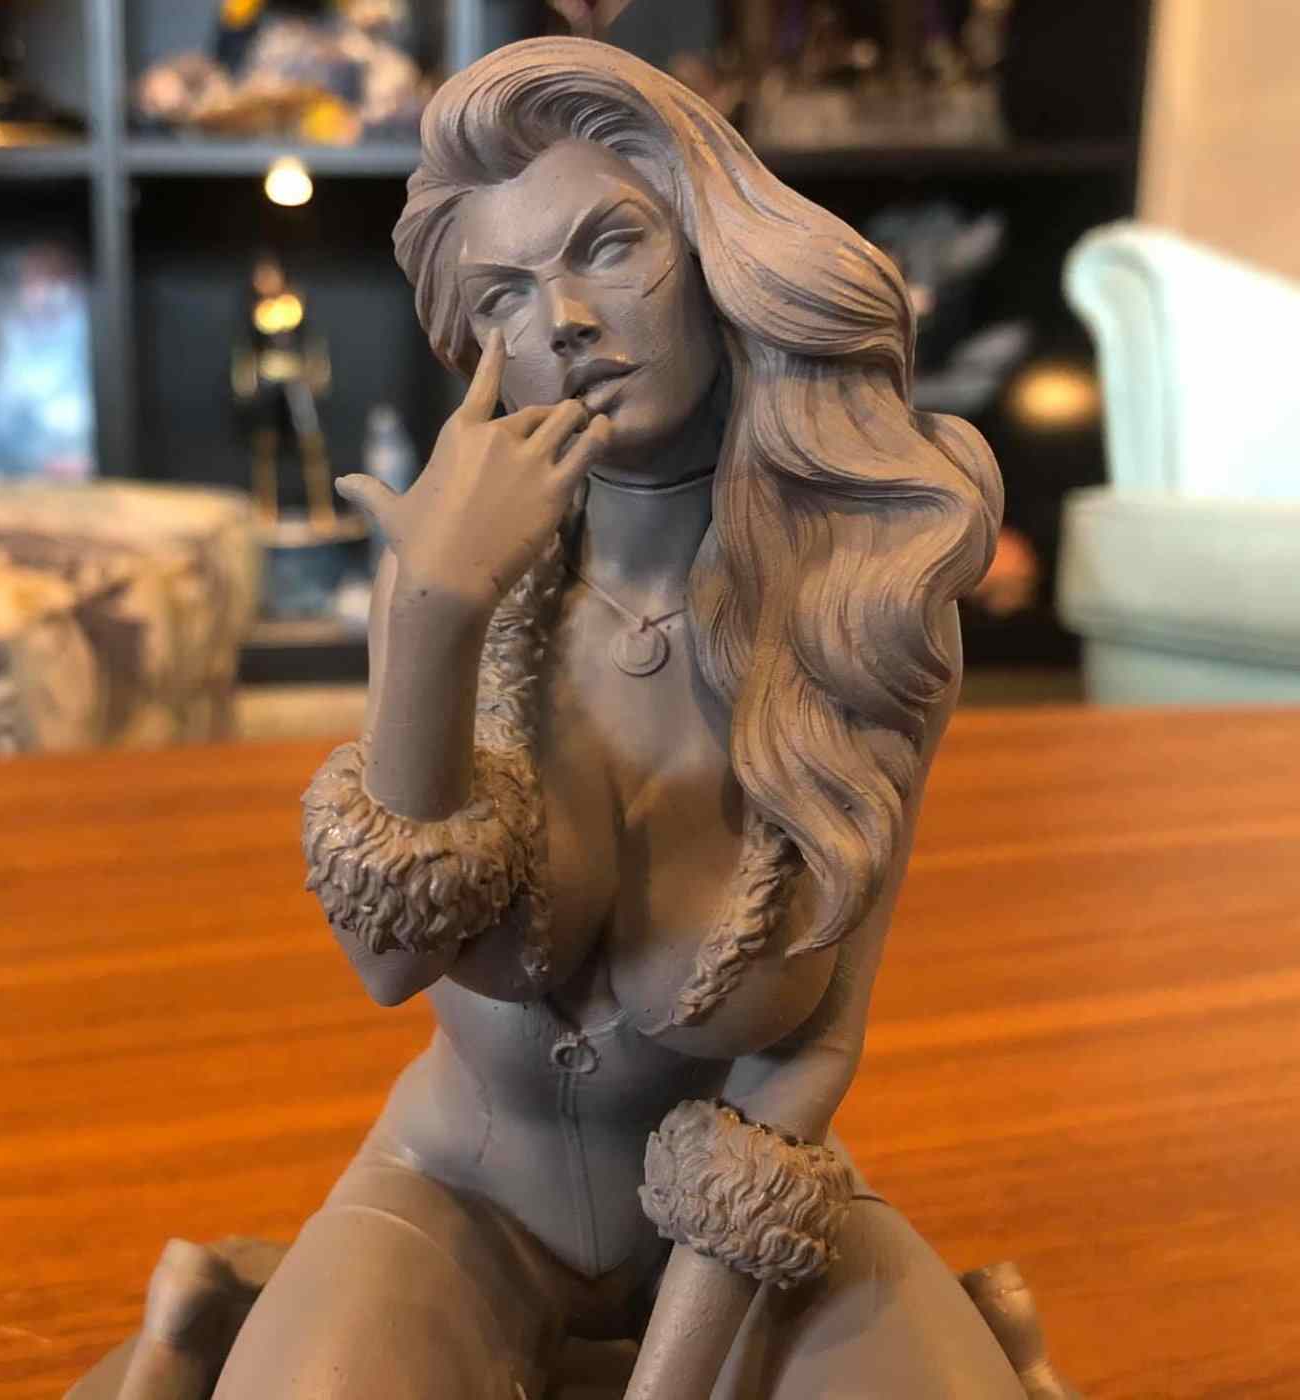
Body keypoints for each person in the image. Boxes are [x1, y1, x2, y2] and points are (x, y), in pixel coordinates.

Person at [101, 36, 1076, 1400]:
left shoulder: (868, 604)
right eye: (503, 296)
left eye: (609, 248)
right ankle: (245, 1318)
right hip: (453, 1196)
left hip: (745, 1220)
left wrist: (668, 1380)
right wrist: (434, 609)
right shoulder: (452, 583)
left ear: (719, 250)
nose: (559, 319)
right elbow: (389, 963)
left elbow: (810, 1052)